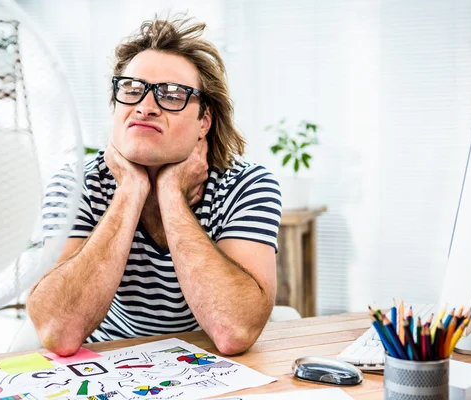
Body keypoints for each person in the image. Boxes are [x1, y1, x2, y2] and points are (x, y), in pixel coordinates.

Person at [27, 17, 282, 356]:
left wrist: (170, 194)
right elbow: (58, 331)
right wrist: (131, 190)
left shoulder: (248, 185)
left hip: (208, 361)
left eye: (172, 95)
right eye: (131, 90)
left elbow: (233, 331)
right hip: (110, 359)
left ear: (203, 121)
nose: (145, 108)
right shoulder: (76, 185)